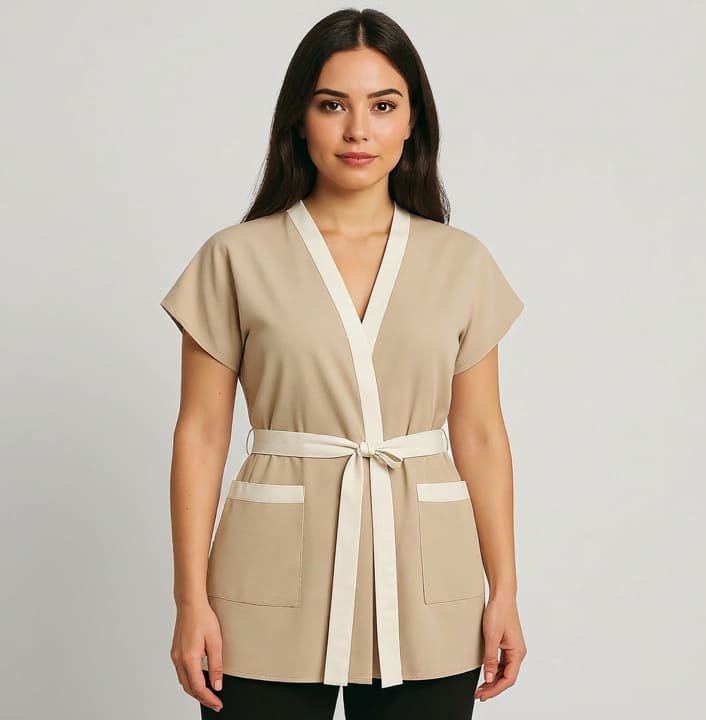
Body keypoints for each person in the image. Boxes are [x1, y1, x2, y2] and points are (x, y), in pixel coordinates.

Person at [160, 7, 527, 719]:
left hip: (427, 578)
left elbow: (482, 434)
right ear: (299, 120)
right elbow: (200, 433)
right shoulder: (235, 258)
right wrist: (189, 599)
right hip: (267, 577)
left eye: (383, 106)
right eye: (332, 105)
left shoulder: (462, 262)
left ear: (413, 121)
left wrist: (504, 589)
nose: (359, 130)